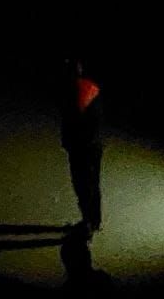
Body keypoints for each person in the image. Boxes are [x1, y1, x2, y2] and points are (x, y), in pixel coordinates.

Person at [61, 59, 103, 234]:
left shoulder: (72, 91)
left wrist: (68, 141)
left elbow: (71, 120)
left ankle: (87, 223)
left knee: (82, 184)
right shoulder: (92, 88)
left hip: (80, 146)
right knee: (93, 183)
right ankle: (95, 220)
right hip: (94, 144)